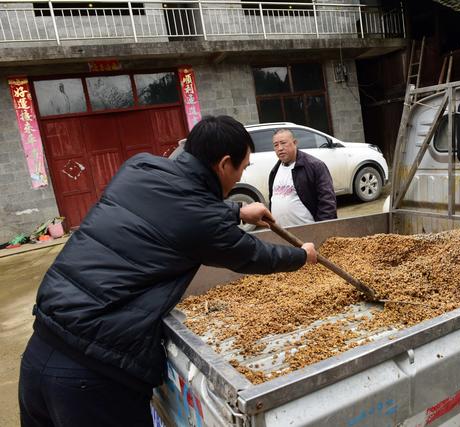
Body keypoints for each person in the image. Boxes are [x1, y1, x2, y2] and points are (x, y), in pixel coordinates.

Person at [18, 115, 317, 427]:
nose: (240, 176)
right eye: (242, 168)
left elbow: (175, 210)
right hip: (93, 379)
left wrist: (237, 211)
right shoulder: (204, 222)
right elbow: (254, 255)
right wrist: (301, 255)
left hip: (39, 353)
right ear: (224, 164)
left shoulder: (140, 167)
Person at [268, 129, 337, 227]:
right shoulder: (274, 171)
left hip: (309, 233)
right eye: (276, 145)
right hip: (283, 236)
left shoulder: (315, 166)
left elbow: (328, 201)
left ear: (295, 143)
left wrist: (323, 229)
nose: (280, 148)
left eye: (283, 143)